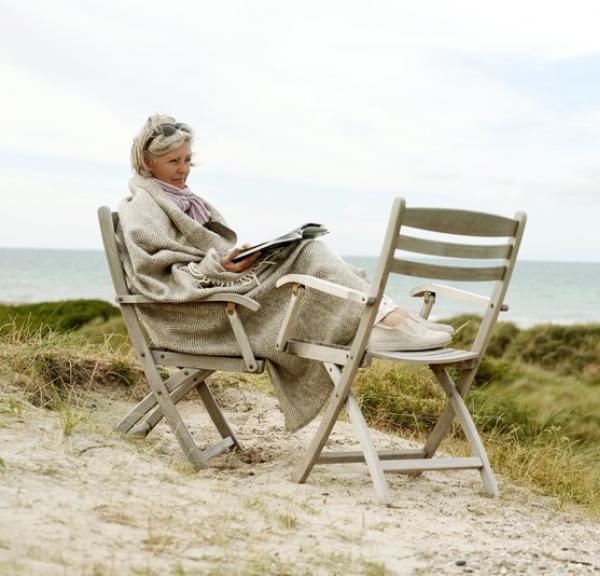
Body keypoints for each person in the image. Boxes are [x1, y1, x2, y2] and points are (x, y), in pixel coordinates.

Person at [118, 114, 452, 431]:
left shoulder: (180, 199)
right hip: (198, 316)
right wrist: (217, 268)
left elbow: (194, 256)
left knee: (305, 249)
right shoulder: (142, 208)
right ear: (148, 162)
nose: (183, 170)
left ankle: (382, 317)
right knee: (309, 253)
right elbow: (154, 275)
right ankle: (382, 320)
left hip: (224, 296)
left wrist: (239, 260)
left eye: (187, 160)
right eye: (174, 162)